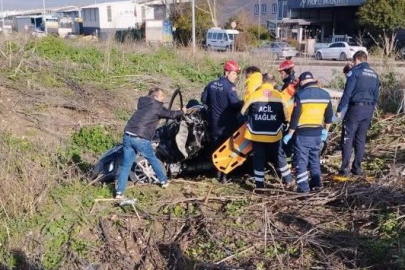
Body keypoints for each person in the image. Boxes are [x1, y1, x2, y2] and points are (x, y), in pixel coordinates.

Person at [115, 87, 186, 198]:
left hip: (128, 135)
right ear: (155, 97)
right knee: (152, 158)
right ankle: (163, 181)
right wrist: (182, 111)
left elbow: (164, 112)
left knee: (126, 165)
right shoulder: (156, 106)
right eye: (162, 96)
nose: (164, 98)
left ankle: (119, 192)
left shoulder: (144, 103)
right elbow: (171, 115)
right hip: (140, 138)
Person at [283, 72, 333, 193]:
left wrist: (289, 134)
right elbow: (329, 116)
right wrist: (325, 131)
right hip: (317, 133)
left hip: (302, 134)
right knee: (315, 159)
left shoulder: (300, 94)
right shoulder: (325, 94)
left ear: (301, 82)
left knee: (301, 162)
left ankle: (303, 189)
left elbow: (295, 117)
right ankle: (316, 185)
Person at [242, 73, 293, 188]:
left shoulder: (254, 95)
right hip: (274, 134)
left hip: (256, 134)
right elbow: (286, 116)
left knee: (258, 158)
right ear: (273, 82)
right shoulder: (279, 96)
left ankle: (259, 185)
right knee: (279, 156)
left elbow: (243, 112)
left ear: (262, 82)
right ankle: (289, 179)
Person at [336, 50, 379, 176]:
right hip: (368, 109)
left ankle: (345, 169)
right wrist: (371, 108)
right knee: (360, 140)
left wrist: (339, 109)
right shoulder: (375, 74)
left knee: (347, 139)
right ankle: (357, 169)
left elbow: (347, 92)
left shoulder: (354, 72)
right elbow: (376, 95)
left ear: (357, 60)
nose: (352, 64)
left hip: (355, 109)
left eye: (353, 61)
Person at [201, 60, 244, 182]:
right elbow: (235, 105)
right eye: (234, 74)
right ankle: (224, 176)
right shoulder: (230, 87)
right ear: (227, 72)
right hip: (227, 125)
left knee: (215, 148)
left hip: (213, 124)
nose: (235, 77)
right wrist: (245, 102)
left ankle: (216, 173)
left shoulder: (211, 84)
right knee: (227, 150)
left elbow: (203, 100)